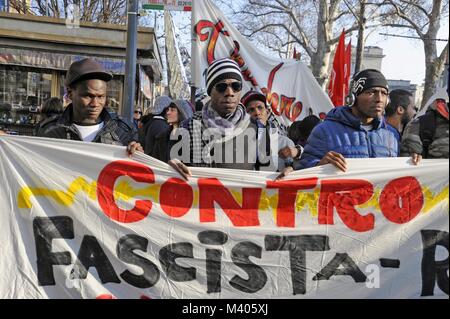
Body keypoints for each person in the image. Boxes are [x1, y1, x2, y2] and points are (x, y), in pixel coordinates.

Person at [278, 69, 399, 179]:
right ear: (353, 98)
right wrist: (319, 165)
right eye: (371, 92)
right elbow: (302, 171)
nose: (379, 99)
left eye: (384, 93)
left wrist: (416, 162)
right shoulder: (324, 131)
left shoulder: (392, 135)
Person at [169, 58, 259, 179]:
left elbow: (271, 172)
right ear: (210, 92)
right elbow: (168, 167)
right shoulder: (187, 128)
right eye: (222, 87)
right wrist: (171, 166)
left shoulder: (257, 129)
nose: (229, 92)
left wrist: (291, 168)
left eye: (236, 86)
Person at [36, 58, 142, 154]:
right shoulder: (49, 131)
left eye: (100, 96)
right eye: (88, 96)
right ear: (70, 93)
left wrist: (138, 156)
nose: (95, 104)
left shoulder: (123, 132)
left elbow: (134, 173)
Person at [241, 90, 296, 171]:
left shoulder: (285, 143)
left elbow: (297, 176)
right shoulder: (237, 144)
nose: (257, 113)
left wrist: (291, 169)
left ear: (268, 111)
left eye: (260, 108)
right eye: (251, 110)